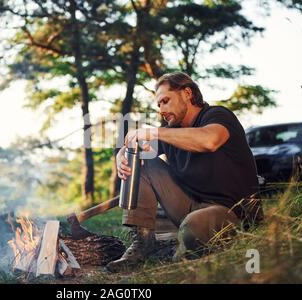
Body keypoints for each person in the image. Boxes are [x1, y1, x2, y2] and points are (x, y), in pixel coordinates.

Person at [106, 72, 262, 272]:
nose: (161, 110)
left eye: (165, 101)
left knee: (193, 227)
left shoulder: (218, 115)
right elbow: (136, 148)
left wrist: (154, 131)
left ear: (187, 93)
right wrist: (123, 154)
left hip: (231, 212)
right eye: (159, 105)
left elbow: (209, 140)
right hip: (190, 206)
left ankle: (184, 252)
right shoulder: (171, 129)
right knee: (142, 164)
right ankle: (143, 244)